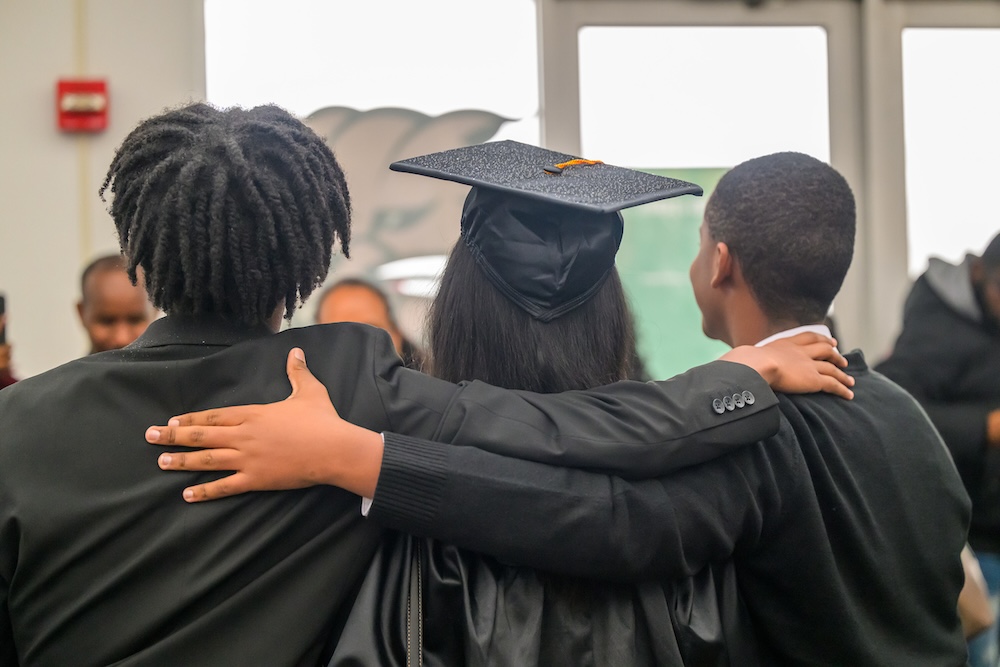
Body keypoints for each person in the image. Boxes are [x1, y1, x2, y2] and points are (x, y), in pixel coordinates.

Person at [0, 109, 846, 665]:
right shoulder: (345, 384)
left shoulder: (16, 425)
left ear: (140, 256)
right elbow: (562, 434)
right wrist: (737, 376)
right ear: (304, 262)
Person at [152, 151, 970, 664]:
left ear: (720, 263)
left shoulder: (745, 440)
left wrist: (353, 458)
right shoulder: (907, 419)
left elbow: (594, 513)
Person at [876, 231, 1000, 667]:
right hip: (970, 540)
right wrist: (984, 428)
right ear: (981, 274)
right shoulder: (936, 326)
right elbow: (894, 413)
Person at [316, 277, 423, 369]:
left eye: (371, 330)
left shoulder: (431, 390)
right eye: (339, 334)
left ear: (397, 337)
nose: (356, 346)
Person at [76, 253, 154, 354]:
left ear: (155, 310)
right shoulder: (67, 370)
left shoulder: (178, 369)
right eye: (107, 321)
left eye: (135, 320)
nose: (121, 339)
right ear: (81, 313)